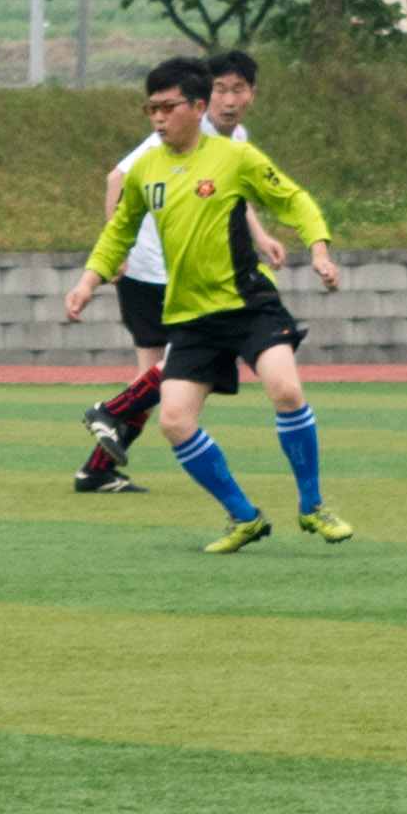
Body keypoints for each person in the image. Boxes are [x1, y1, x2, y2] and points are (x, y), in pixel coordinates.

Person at [62, 55, 348, 554]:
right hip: (192, 316)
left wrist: (319, 250)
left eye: (167, 107)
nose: (157, 117)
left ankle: (312, 506)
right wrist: (89, 281)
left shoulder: (235, 157)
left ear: (197, 107)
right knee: (174, 421)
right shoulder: (145, 169)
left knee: (285, 388)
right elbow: (119, 232)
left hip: (248, 304)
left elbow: (294, 200)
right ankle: (245, 517)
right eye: (151, 107)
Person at [74, 47, 274, 491]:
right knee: (181, 366)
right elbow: (117, 178)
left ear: (252, 94)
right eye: (220, 89)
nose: (229, 100)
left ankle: (96, 469)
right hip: (153, 271)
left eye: (238, 89)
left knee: (156, 378)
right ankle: (108, 413)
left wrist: (260, 237)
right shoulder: (179, 131)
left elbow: (232, 191)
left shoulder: (233, 137)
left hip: (177, 271)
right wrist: (118, 249)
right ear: (203, 98)